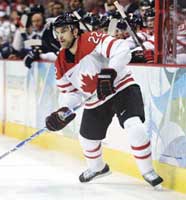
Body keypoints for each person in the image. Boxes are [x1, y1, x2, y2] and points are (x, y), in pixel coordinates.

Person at [45, 13, 163, 188]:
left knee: (134, 126)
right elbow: (70, 93)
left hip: (121, 88)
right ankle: (98, 168)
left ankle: (148, 171)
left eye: (64, 31)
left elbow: (122, 49)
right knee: (87, 139)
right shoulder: (60, 63)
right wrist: (64, 109)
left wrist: (110, 71)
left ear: (75, 31)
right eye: (57, 32)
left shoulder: (91, 39)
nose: (60, 36)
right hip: (95, 99)